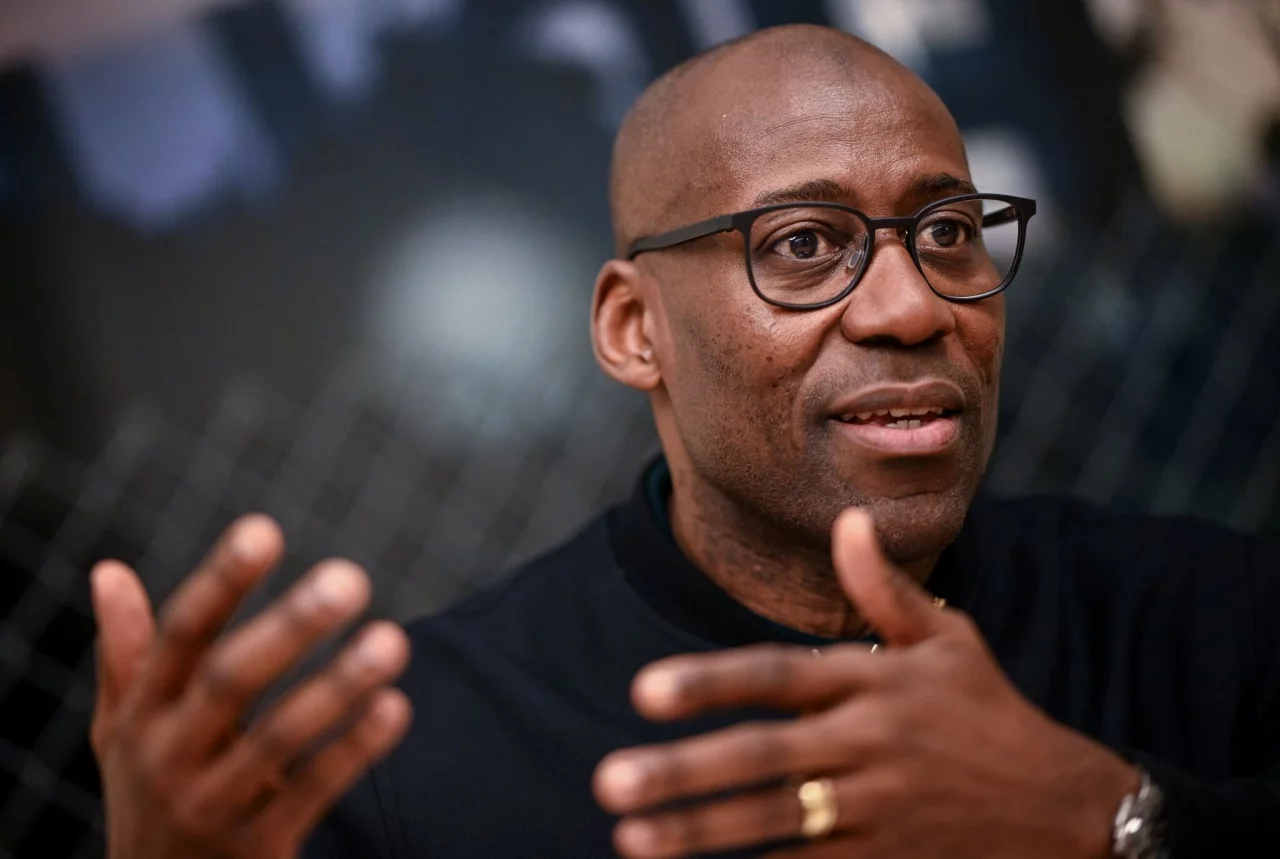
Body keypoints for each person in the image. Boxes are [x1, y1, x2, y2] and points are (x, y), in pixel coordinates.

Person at [87, 24, 1280, 859]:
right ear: (633, 330)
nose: (911, 305)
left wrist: (1119, 821)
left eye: (947, 231)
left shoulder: (1205, 620)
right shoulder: (418, 759)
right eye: (802, 244)